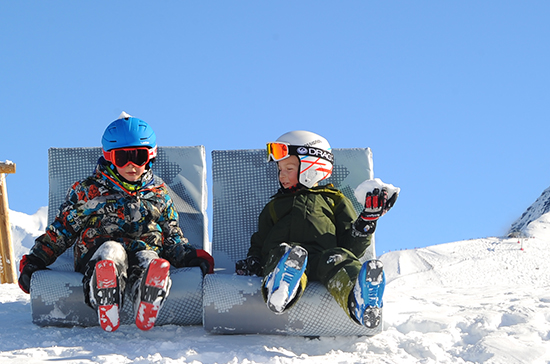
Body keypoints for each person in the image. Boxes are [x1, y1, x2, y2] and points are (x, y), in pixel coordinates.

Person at [18, 113, 214, 332]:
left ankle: (146, 295)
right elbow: (62, 229)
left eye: (137, 157)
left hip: (144, 246)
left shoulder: (158, 194)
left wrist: (188, 255)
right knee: (112, 251)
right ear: (109, 157)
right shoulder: (88, 191)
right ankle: (103, 292)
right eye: (122, 158)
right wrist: (36, 259)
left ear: (150, 156)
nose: (131, 165)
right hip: (98, 250)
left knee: (149, 258)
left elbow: (171, 234)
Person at [235, 130, 397, 329]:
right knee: (282, 253)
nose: (281, 175)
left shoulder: (334, 200)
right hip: (286, 255)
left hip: (323, 257)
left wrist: (367, 221)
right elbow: (260, 240)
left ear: (312, 168)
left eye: (289, 168)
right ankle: (281, 289)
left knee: (340, 257)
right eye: (279, 170)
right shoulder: (275, 206)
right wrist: (254, 259)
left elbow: (351, 246)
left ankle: (359, 300)